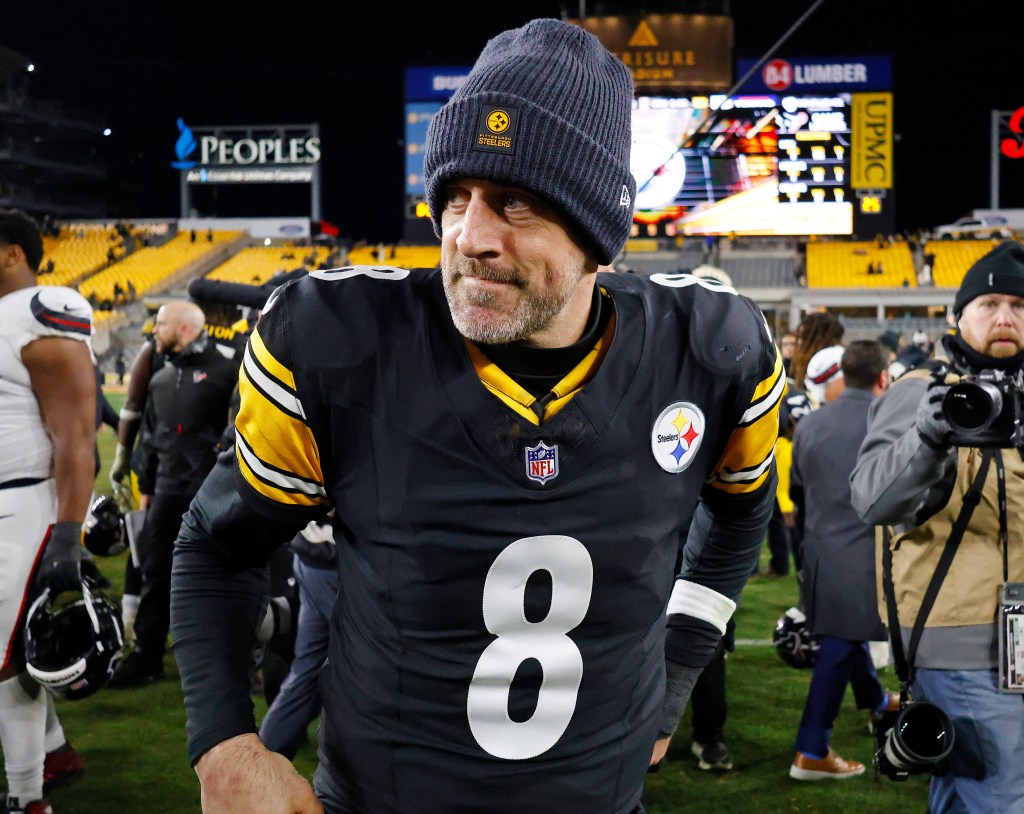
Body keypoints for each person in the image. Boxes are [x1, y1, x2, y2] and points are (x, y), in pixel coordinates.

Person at [170, 19, 782, 814]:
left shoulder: (714, 349)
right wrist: (223, 743)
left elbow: (740, 516)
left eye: (516, 202)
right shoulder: (338, 340)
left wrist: (677, 668)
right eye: (455, 196)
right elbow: (218, 547)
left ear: (598, 232)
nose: (470, 236)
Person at [850, 239, 1024, 813]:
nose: (1005, 316)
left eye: (1019, 306)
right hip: (963, 645)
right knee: (992, 800)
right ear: (958, 316)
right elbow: (871, 499)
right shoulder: (923, 391)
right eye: (989, 303)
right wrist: (929, 434)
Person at [0, 209, 96, 814]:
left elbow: (76, 431)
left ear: (12, 253)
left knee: (7, 665)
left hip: (21, 502)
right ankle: (54, 757)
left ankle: (27, 799)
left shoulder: (39, 308)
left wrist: (68, 530)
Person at [108, 300, 239, 687]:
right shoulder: (161, 379)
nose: (153, 331)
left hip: (210, 495)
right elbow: (151, 440)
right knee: (154, 574)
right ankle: (147, 656)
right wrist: (146, 487)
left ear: (184, 329)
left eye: (161, 324)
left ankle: (224, 662)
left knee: (219, 577)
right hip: (166, 493)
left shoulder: (225, 371)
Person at [788, 340, 897, 781]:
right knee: (841, 642)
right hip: (865, 553)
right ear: (883, 378)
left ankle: (876, 699)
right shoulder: (888, 421)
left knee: (844, 635)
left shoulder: (810, 424)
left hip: (817, 552)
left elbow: (797, 493)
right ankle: (811, 750)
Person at [258, 518, 339, 759]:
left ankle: (261, 767)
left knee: (306, 672)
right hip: (339, 562)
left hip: (311, 555)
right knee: (371, 675)